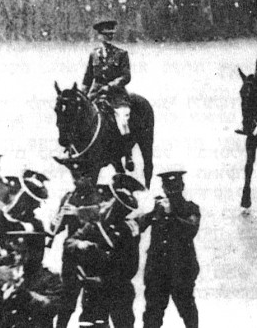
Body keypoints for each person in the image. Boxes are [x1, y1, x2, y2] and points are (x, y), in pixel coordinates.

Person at [0, 170, 62, 328]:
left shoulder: (35, 226)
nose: (21, 201)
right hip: (1, 277)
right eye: (21, 195)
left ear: (35, 204)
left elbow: (34, 259)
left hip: (24, 280)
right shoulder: (2, 217)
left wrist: (18, 283)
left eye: (28, 199)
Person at [65, 173, 144, 328]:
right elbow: (69, 243)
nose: (111, 206)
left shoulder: (130, 230)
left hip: (118, 290)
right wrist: (81, 245)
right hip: (93, 289)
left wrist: (105, 278)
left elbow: (130, 268)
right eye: (112, 201)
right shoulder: (95, 224)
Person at [138, 171, 200, 328]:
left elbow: (191, 230)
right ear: (164, 188)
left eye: (176, 187)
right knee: (152, 314)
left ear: (182, 187)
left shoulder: (190, 208)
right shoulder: (157, 206)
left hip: (181, 270)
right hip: (157, 271)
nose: (171, 191)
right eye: (168, 187)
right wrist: (152, 211)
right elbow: (139, 226)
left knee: (187, 310)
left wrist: (171, 214)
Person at [52, 158, 104, 328]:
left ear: (90, 177)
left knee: (92, 305)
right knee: (66, 301)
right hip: (71, 257)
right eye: (74, 177)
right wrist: (55, 223)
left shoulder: (100, 196)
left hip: (92, 258)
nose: (76, 181)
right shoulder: (68, 196)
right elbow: (57, 228)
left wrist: (78, 212)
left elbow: (102, 217)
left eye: (80, 177)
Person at [81, 18, 134, 171]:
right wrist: (83, 94)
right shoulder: (94, 55)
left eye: (110, 35)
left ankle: (127, 153)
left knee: (122, 118)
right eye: (105, 35)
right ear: (99, 36)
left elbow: (126, 76)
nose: (108, 38)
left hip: (116, 95)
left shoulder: (121, 54)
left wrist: (110, 86)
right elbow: (87, 78)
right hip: (96, 93)